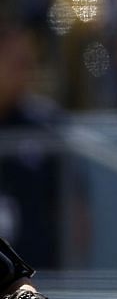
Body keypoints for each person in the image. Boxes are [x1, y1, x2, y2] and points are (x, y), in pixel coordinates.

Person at [0, 16, 67, 268]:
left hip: (37, 282)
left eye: (28, 63)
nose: (25, 72)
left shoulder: (45, 124)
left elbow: (72, 209)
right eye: (16, 64)